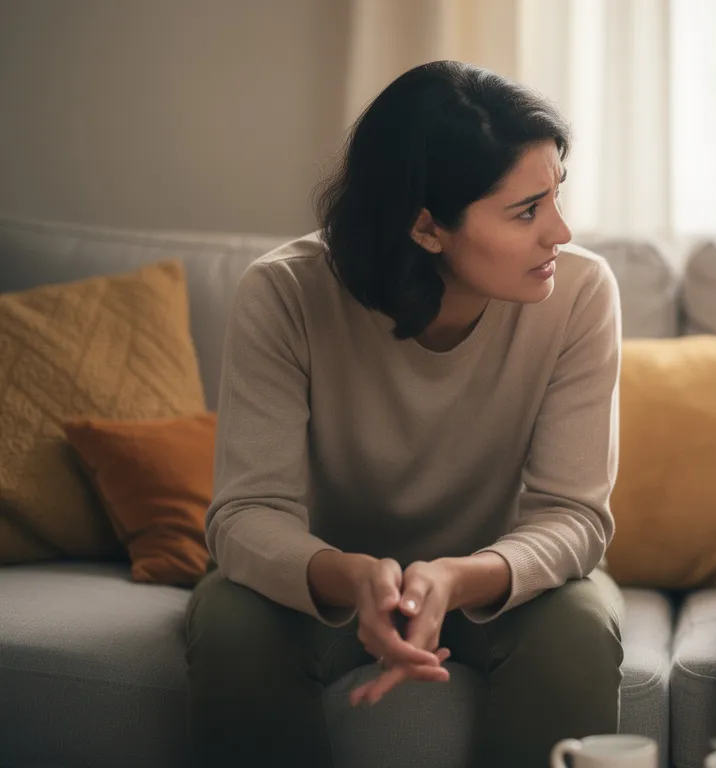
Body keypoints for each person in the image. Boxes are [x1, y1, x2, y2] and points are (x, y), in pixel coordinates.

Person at [185, 60, 624, 768]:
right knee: (232, 620)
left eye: (556, 196)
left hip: (498, 581)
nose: (561, 233)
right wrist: (354, 576)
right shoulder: (284, 295)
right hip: (326, 582)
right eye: (526, 211)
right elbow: (245, 516)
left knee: (579, 624)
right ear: (426, 228)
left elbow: (574, 517)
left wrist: (455, 578)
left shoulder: (579, 295)